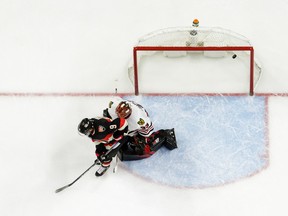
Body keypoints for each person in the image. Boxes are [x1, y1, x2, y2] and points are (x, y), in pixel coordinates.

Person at [102, 97, 178, 161]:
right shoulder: (113, 105)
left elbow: (147, 131)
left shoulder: (139, 121)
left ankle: (165, 134)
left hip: (141, 124)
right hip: (131, 113)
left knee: (145, 149)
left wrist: (140, 139)